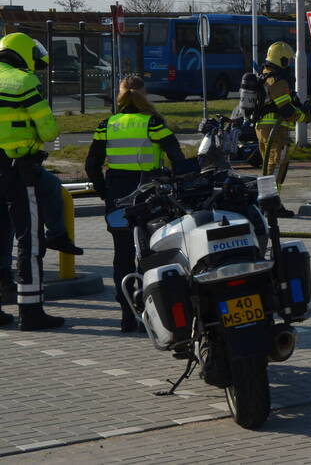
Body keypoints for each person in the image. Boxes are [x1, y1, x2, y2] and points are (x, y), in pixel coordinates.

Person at [85, 76, 186, 332]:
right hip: (149, 195)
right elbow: (177, 157)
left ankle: (126, 315)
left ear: (120, 94)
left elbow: (91, 164)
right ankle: (150, 314)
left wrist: (103, 191)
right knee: (151, 254)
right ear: (144, 93)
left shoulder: (107, 124)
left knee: (123, 255)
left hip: (117, 196)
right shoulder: (153, 123)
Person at [0, 32, 78, 330]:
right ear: (23, 52)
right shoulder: (23, 82)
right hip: (19, 171)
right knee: (29, 241)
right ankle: (30, 311)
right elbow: (48, 131)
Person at [255, 42, 311, 218]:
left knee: (269, 167)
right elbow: (286, 111)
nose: (289, 64)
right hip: (275, 131)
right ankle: (271, 205)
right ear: (281, 60)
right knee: (276, 166)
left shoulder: (265, 75)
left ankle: (270, 202)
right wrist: (305, 116)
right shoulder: (277, 81)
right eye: (287, 60)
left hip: (265, 129)